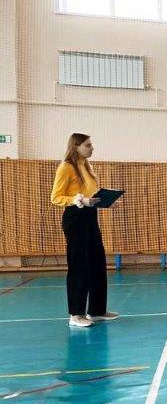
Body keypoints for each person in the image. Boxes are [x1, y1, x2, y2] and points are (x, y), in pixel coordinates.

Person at [50, 133, 118, 328]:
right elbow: (56, 197)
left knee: (97, 262)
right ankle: (76, 314)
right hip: (75, 218)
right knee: (79, 265)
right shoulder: (66, 167)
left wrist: (105, 202)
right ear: (76, 146)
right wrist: (77, 200)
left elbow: (90, 194)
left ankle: (97, 311)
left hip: (90, 216)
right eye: (88, 145)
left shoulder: (86, 166)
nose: (91, 148)